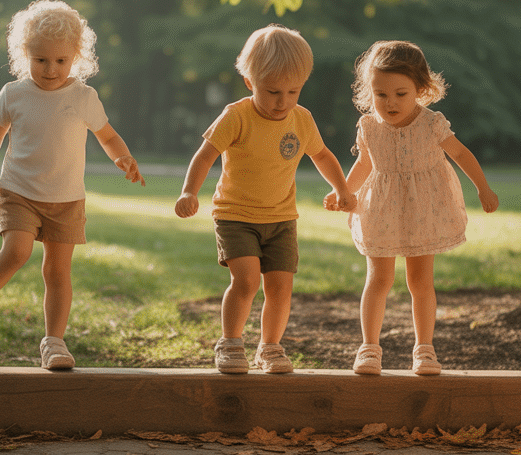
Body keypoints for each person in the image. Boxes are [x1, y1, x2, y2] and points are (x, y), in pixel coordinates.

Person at [0, 0, 144, 370]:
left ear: (76, 56)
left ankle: (54, 342)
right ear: (25, 54)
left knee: (58, 271)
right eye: (41, 60)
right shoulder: (14, 93)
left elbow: (107, 135)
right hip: (18, 191)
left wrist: (123, 158)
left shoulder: (83, 97)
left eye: (61, 60)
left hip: (67, 198)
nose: (51, 69)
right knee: (17, 252)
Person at [176, 24, 356, 375]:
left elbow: (321, 155)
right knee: (245, 281)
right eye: (273, 91)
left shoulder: (301, 119)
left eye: (293, 91)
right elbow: (205, 155)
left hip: (281, 219)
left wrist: (342, 188)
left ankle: (270, 348)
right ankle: (230, 343)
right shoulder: (236, 116)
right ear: (249, 82)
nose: (283, 101)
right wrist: (189, 191)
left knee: (280, 288)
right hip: (236, 215)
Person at [332, 40, 499, 376]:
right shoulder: (368, 127)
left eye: (400, 93)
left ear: (420, 89)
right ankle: (369, 348)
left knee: (420, 280)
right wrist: (344, 192)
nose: (390, 102)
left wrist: (483, 188)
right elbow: (364, 164)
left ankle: (424, 350)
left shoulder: (431, 123)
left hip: (424, 208)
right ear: (370, 92)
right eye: (381, 94)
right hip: (380, 207)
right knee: (378, 278)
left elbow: (461, 154)